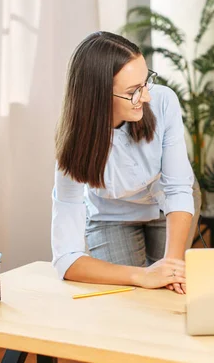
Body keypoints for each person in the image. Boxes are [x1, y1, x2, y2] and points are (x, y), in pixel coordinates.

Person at [51, 31, 201, 294]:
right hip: (111, 215)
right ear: (97, 97)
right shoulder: (75, 145)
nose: (147, 97)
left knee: (169, 289)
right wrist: (140, 275)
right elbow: (66, 260)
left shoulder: (164, 101)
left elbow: (178, 189)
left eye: (146, 83)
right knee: (130, 296)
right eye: (134, 91)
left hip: (169, 203)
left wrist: (170, 268)